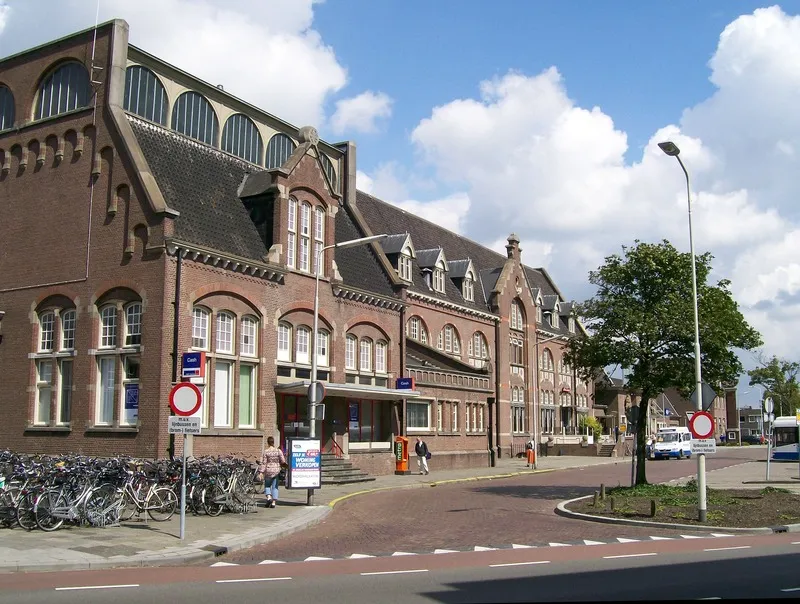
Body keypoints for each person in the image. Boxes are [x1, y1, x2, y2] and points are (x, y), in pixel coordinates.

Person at [258, 436, 286, 508]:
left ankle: (269, 497)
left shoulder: (266, 451)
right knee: (275, 487)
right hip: (276, 471)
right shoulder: (278, 451)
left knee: (267, 486)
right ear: (273, 442)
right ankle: (273, 502)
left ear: (268, 443)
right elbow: (283, 461)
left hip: (268, 471)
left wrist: (261, 472)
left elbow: (264, 462)